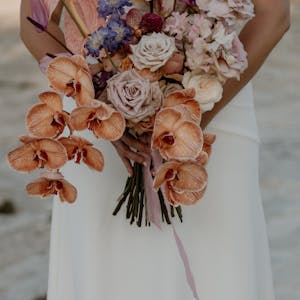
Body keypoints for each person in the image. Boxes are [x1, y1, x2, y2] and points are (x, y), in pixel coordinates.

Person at [20, 1, 290, 299]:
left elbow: (274, 15)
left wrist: (186, 120)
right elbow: (35, 22)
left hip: (214, 96)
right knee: (108, 270)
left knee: (220, 267)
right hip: (98, 110)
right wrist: (101, 106)